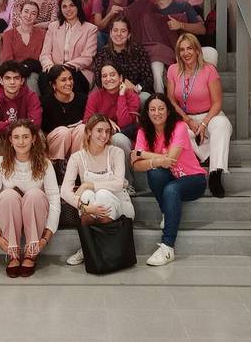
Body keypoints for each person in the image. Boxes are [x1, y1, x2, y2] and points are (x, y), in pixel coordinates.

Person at [131, 93, 207, 266]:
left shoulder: (179, 127)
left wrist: (143, 154)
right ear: (147, 113)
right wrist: (156, 161)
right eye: (152, 109)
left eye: (161, 108)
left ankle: (167, 247)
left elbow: (171, 159)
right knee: (154, 172)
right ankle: (167, 210)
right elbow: (135, 165)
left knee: (171, 189)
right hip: (170, 178)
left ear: (168, 111)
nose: (157, 113)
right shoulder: (143, 132)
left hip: (193, 179)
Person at [0, 120, 59, 277]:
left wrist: (46, 237)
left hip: (35, 213)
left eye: (25, 137)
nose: (21, 141)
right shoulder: (0, 163)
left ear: (33, 139)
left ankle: (31, 253)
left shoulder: (45, 163)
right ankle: (12, 254)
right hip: (10, 213)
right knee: (7, 195)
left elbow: (54, 201)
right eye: (16, 137)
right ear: (10, 140)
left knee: (34, 194)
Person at [62, 113, 134, 266]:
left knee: (99, 193)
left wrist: (89, 184)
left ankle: (92, 248)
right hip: (92, 207)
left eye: (107, 131)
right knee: (87, 196)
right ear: (88, 132)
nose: (104, 135)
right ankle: (91, 247)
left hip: (118, 206)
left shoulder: (116, 152)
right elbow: (64, 191)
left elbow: (118, 183)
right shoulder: (77, 158)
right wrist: (85, 207)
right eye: (99, 131)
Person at [166, 33, 232, 198]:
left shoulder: (209, 69)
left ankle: (215, 173)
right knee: (177, 132)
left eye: (189, 48)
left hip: (210, 115)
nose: (186, 53)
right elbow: (171, 100)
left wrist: (203, 124)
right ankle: (206, 153)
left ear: (197, 50)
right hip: (185, 117)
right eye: (182, 49)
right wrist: (187, 120)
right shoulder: (173, 70)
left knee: (222, 125)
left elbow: (217, 102)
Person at [84, 60, 140, 190]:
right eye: (104, 76)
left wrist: (121, 96)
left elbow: (125, 123)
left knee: (117, 139)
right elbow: (87, 120)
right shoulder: (95, 96)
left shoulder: (131, 96)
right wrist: (106, 121)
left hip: (126, 139)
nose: (108, 79)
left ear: (120, 77)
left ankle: (127, 183)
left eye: (112, 75)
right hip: (101, 139)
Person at [148, 0, 218, 66]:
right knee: (156, 63)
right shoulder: (150, 12)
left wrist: (181, 25)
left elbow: (202, 29)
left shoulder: (183, 6)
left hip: (187, 50)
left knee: (212, 53)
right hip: (164, 54)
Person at [0, 60, 42, 163]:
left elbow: (35, 123)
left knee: (39, 135)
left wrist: (15, 128)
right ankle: (2, 168)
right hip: (4, 136)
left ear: (22, 81)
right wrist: (14, 126)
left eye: (16, 78)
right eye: (8, 78)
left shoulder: (31, 96)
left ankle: (35, 167)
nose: (12, 82)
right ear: (1, 80)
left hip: (25, 134)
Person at [40, 0, 98, 95]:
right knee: (43, 79)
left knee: (73, 82)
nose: (68, 9)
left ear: (78, 7)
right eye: (64, 6)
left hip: (79, 71)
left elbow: (87, 58)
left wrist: (65, 68)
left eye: (72, 5)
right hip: (54, 69)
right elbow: (45, 54)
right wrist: (51, 67)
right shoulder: (53, 27)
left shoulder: (90, 29)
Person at [94, 14, 154, 105]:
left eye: (123, 31)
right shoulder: (103, 53)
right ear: (110, 33)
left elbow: (148, 78)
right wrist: (122, 83)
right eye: (115, 30)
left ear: (129, 34)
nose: (119, 34)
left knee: (145, 98)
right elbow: (99, 79)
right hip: (111, 93)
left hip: (136, 92)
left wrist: (135, 88)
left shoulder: (138, 51)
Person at [41, 65, 87, 175]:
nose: (69, 83)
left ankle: (76, 169)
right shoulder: (45, 102)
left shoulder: (82, 99)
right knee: (63, 131)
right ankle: (57, 170)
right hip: (55, 145)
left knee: (82, 129)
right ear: (53, 84)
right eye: (63, 80)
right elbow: (42, 131)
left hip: (76, 144)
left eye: (70, 79)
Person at [0, 1, 46, 94]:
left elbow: (44, 57)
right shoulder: (9, 34)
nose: (29, 16)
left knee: (32, 79)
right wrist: (19, 73)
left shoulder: (43, 34)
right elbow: (7, 60)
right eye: (26, 11)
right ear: (20, 13)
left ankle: (34, 107)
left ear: (37, 17)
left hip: (35, 72)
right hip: (14, 73)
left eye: (33, 13)